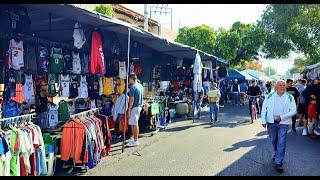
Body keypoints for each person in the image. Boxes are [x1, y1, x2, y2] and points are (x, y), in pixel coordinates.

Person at [261, 80, 297, 173]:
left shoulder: (290, 97)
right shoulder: (269, 96)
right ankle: (277, 153)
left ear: (285, 87)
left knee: (281, 141)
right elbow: (264, 109)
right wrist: (263, 121)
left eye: (283, 85)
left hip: (284, 123)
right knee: (274, 140)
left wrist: (281, 117)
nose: (282, 87)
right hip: (271, 122)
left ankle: (278, 162)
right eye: (280, 85)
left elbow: (294, 111)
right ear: (276, 87)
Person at [126, 74, 144, 147]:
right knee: (134, 123)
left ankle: (135, 140)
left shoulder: (133, 87)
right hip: (139, 106)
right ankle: (134, 138)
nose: (128, 81)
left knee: (134, 124)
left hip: (135, 107)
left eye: (129, 79)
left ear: (131, 79)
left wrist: (129, 109)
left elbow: (132, 99)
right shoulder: (140, 85)